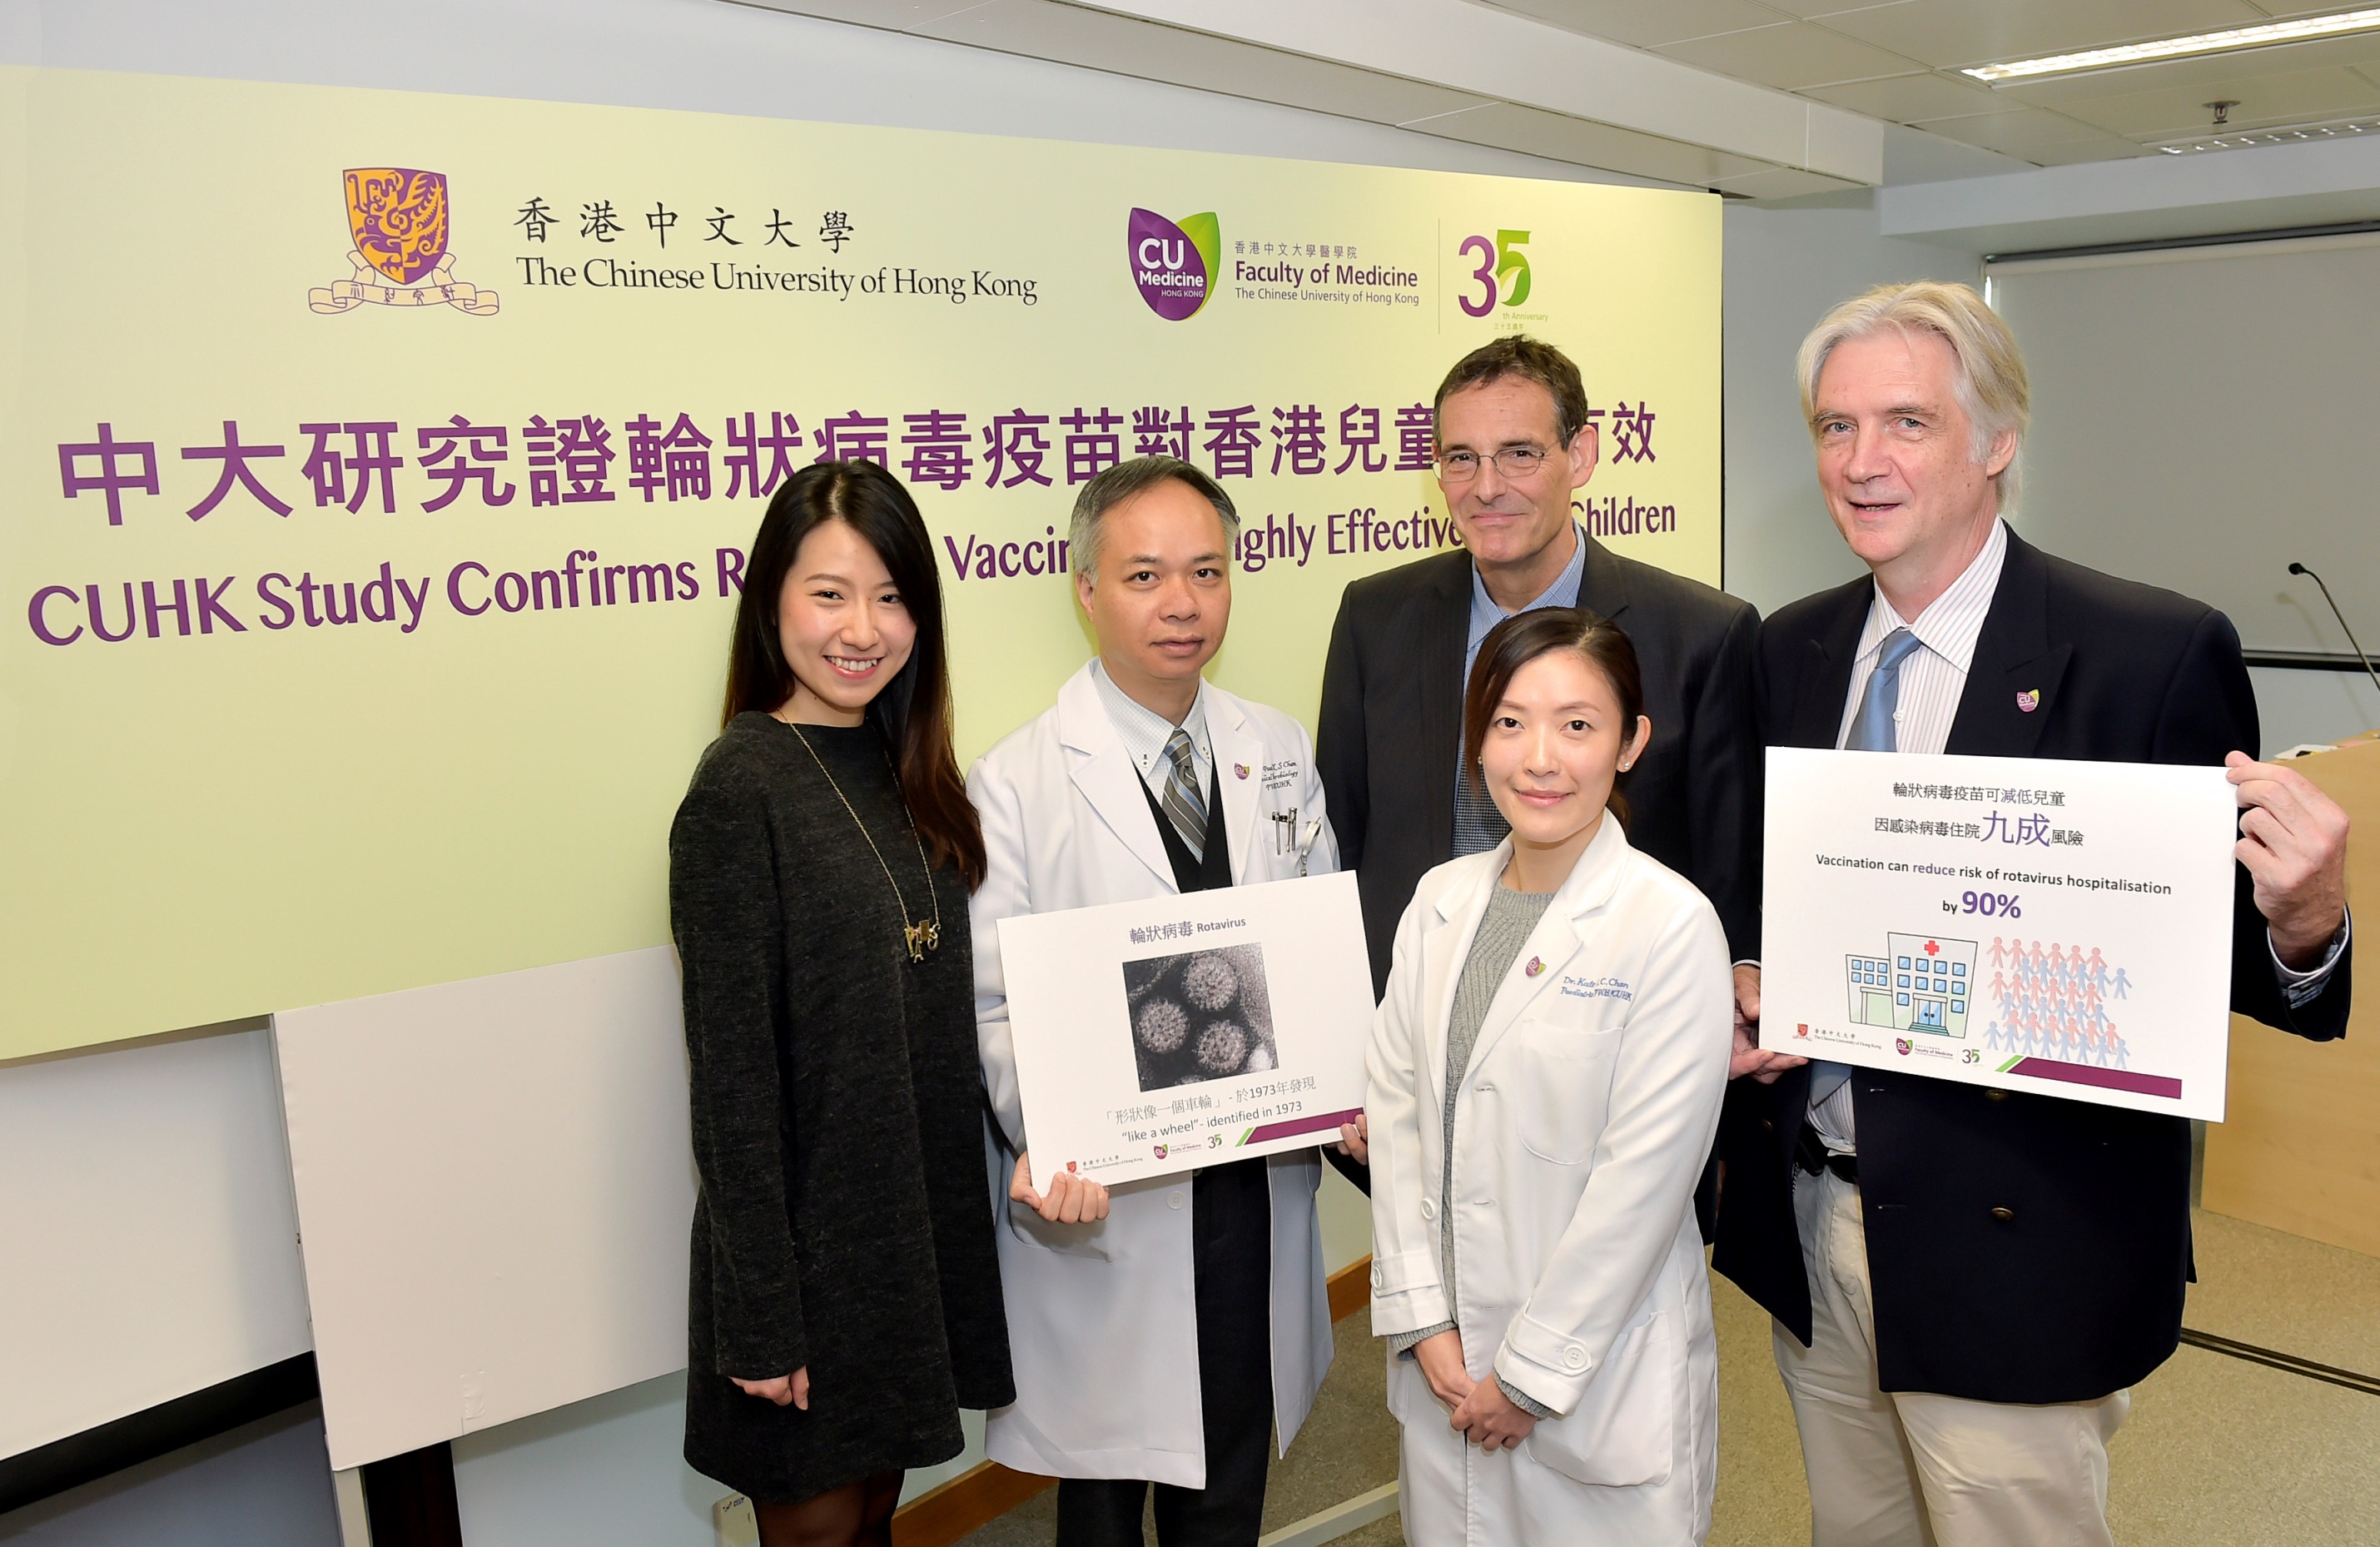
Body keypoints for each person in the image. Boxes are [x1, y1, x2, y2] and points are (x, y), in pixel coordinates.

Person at [1713, 281, 2353, 1547]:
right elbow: (1763, 890)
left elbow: (2211, 959)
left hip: (2016, 1237)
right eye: (1833, 428)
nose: (1860, 461)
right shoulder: (1783, 650)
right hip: (1816, 1208)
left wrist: (2303, 919)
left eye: (1903, 421)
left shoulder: (2144, 653)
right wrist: (1745, 964)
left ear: (1996, 440)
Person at [969, 455, 1340, 1547]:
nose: (1182, 603)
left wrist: (1343, 1080)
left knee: (1227, 1464)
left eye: (1206, 571)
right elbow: (996, 1003)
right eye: (1143, 575)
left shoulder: (1272, 747)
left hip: (1248, 1176)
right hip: (1111, 1198)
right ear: (1083, 587)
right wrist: (1056, 1137)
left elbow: (1315, 953)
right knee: (1099, 1487)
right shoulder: (1016, 780)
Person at [670, 461, 1013, 1547]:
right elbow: (732, 1086)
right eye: (829, 593)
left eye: (891, 595)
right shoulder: (739, 788)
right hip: (807, 1267)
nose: (862, 628)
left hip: (903, 1242)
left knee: (871, 1518)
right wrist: (761, 1316)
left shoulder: (901, 763)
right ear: (771, 601)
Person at [1368, 609, 1732, 1545]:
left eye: (1578, 725)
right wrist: (1422, 1318)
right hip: (1445, 1358)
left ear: (1630, 743)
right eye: (1508, 721)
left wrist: (1530, 1375)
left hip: (1591, 1378)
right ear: (1475, 736)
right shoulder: (1439, 903)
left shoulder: (1669, 924)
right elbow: (1400, 1114)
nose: (1540, 757)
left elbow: (1642, 1186)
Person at [1317, 333, 1760, 996]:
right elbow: (1342, 842)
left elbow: (1727, 870)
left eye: (1519, 454)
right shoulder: (1374, 617)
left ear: (1579, 455)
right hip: (1414, 1009)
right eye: (1459, 459)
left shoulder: (1701, 634)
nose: (1486, 487)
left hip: (1612, 1020)